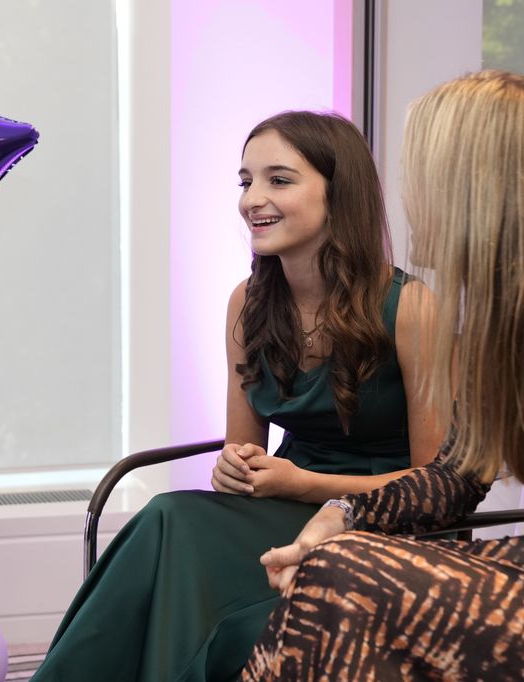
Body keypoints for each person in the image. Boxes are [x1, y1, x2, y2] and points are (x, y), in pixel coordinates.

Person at [32, 111, 443, 681]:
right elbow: (243, 454)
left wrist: (303, 483)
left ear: (338, 192)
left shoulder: (412, 307)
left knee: (179, 536)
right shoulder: (246, 304)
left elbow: (435, 485)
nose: (253, 198)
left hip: (383, 529)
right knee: (169, 517)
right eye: (245, 181)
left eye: (279, 179)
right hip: (283, 507)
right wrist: (238, 469)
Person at [243, 70, 524, 681]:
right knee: (329, 566)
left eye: (423, 176)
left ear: (481, 193)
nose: (407, 197)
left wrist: (325, 505)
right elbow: (455, 475)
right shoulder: (496, 324)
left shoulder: (413, 306)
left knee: (339, 578)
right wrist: (345, 513)